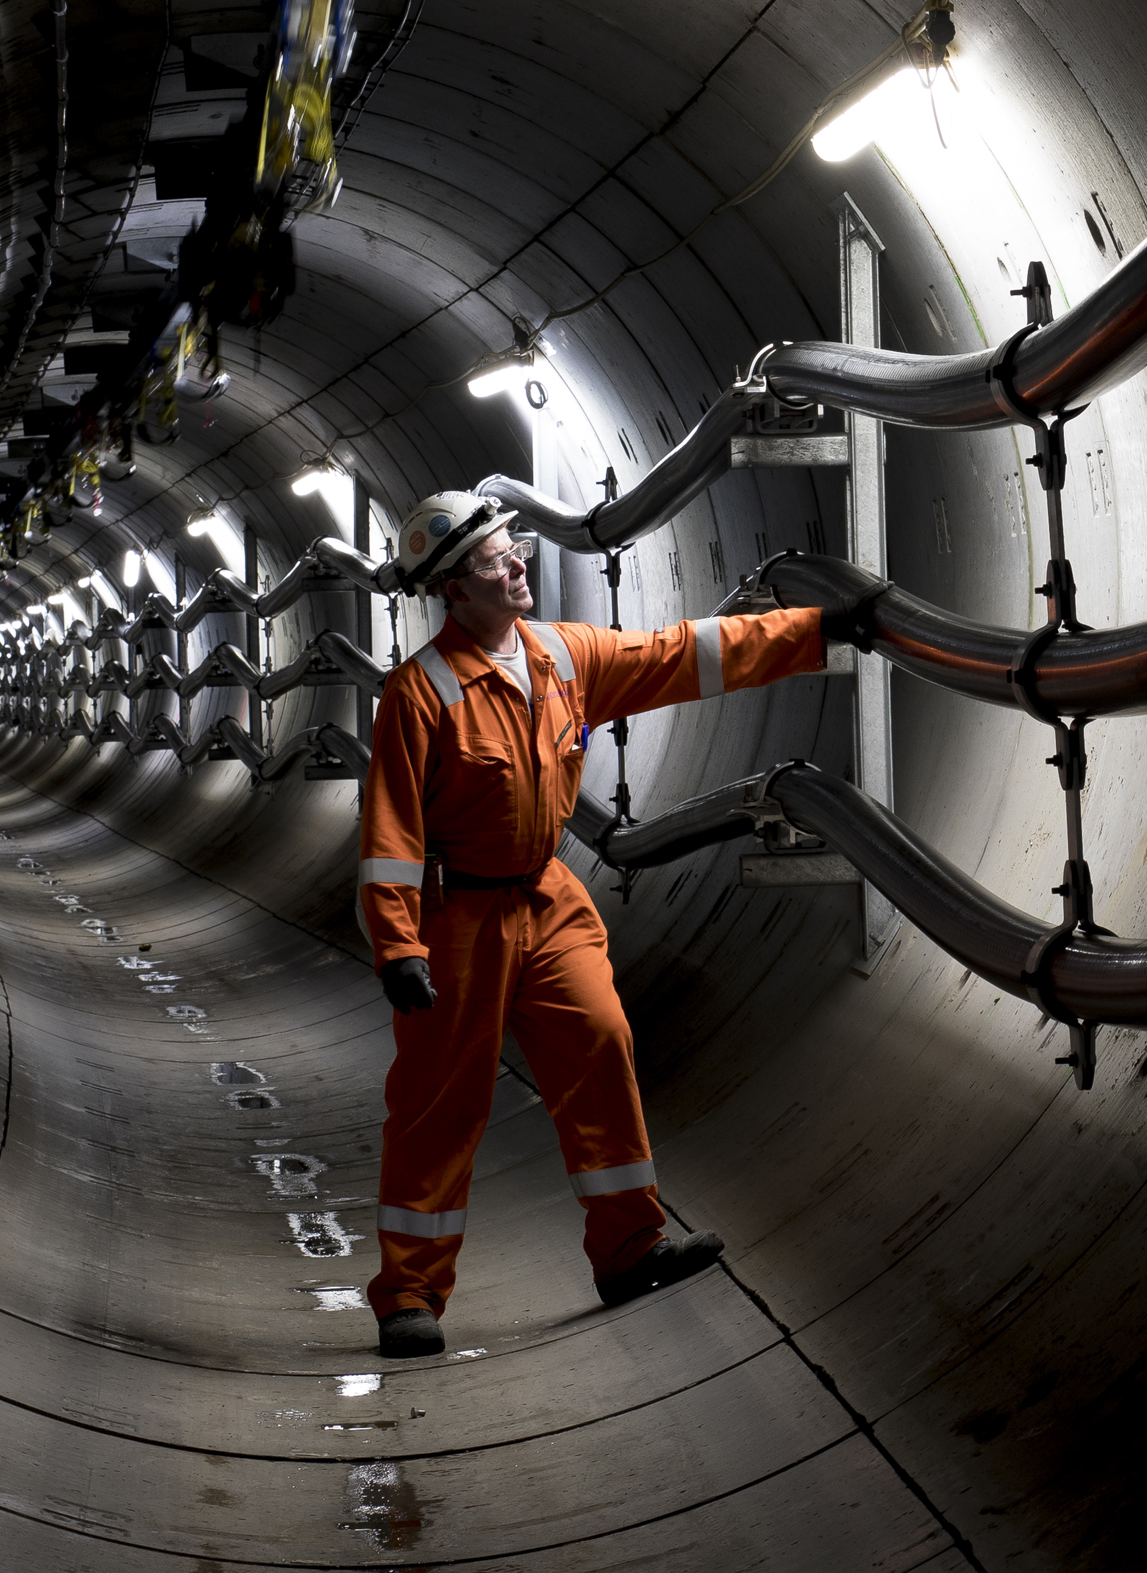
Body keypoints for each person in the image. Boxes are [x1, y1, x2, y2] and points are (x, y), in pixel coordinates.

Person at [354, 489, 828, 1358]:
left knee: (602, 1042)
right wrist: (398, 945)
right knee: (439, 1104)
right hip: (458, 918)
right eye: (497, 562)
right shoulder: (418, 695)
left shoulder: (561, 659)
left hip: (546, 899)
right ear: (455, 590)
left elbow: (678, 655)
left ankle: (629, 1246)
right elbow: (390, 835)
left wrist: (817, 631)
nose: (518, 566)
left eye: (513, 551)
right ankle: (408, 1295)